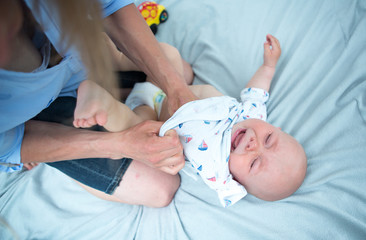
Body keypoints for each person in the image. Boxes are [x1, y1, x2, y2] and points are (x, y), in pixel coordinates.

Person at [0, 0, 197, 207]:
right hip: (36, 118)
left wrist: (176, 87)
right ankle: (106, 103)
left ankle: (120, 95)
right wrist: (120, 144)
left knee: (182, 72)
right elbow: (7, 146)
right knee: (160, 189)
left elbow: (111, 7)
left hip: (78, 63)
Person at [73, 34, 307, 207]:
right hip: (164, 85)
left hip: (151, 118)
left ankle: (100, 103)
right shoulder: (252, 116)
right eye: (268, 139)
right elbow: (256, 92)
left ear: (238, 182)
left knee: (127, 124)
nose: (253, 145)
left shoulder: (222, 176)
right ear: (274, 127)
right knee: (170, 55)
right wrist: (269, 65)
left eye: (254, 163)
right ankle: (118, 58)